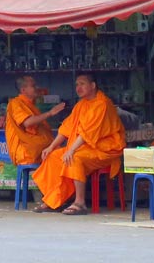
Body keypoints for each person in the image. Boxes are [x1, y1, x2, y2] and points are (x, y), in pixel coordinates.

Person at [32, 73, 126, 215]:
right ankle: (53, 200)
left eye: (82, 84)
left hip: (105, 148)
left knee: (74, 158)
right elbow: (66, 129)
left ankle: (80, 203)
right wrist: (51, 147)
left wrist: (71, 150)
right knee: (53, 157)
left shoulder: (102, 104)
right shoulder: (81, 105)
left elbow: (87, 133)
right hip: (85, 146)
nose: (78, 87)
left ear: (93, 86)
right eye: (77, 84)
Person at [5, 76, 65, 165]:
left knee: (66, 154)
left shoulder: (31, 105)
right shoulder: (16, 103)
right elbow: (27, 122)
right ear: (23, 90)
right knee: (64, 157)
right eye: (33, 86)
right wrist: (50, 113)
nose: (37, 88)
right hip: (27, 152)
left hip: (38, 148)